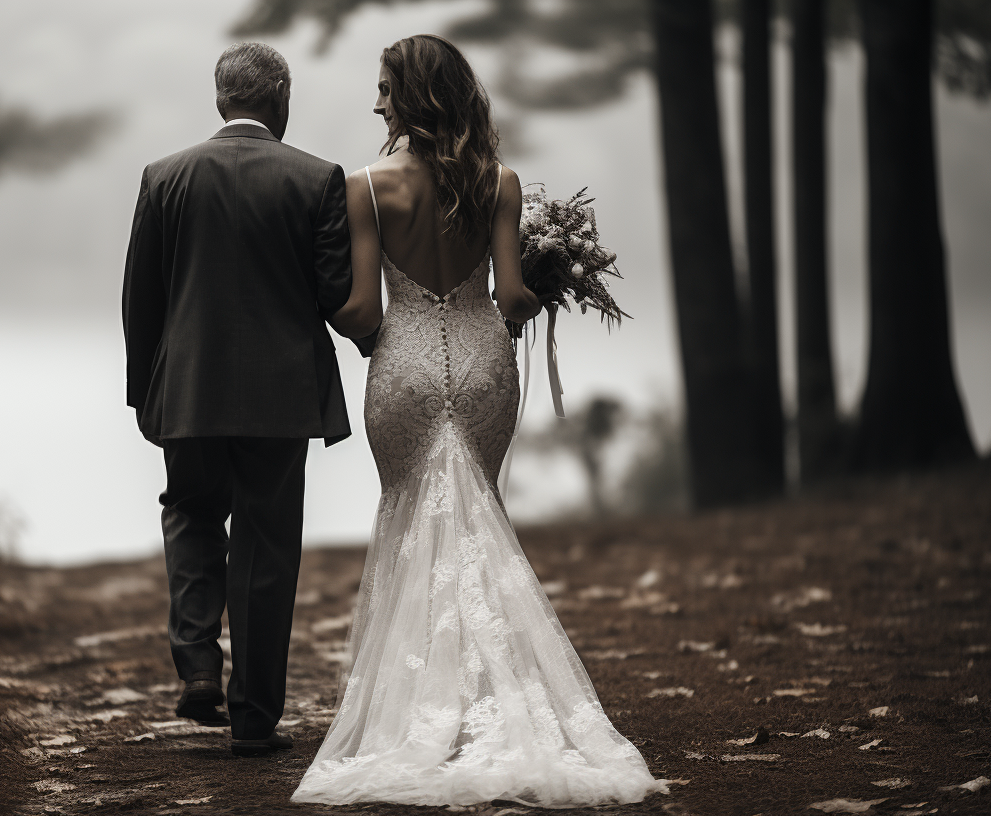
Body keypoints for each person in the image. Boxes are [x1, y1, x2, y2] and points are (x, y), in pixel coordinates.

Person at [291, 35, 667, 807]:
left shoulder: (367, 188)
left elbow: (363, 309)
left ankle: (419, 710)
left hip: (403, 371)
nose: (377, 103)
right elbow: (509, 296)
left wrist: (308, 299)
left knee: (410, 519)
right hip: (484, 361)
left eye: (386, 89)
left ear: (415, 98)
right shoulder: (499, 182)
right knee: (476, 519)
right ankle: (491, 703)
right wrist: (545, 286)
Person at [121, 42, 362, 758]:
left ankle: (197, 664)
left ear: (221, 99)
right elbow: (333, 293)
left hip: (188, 389)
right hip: (280, 395)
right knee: (266, 544)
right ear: (281, 97)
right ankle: (254, 717)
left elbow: (142, 297)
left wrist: (144, 391)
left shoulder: (164, 176)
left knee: (191, 511)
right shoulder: (317, 179)